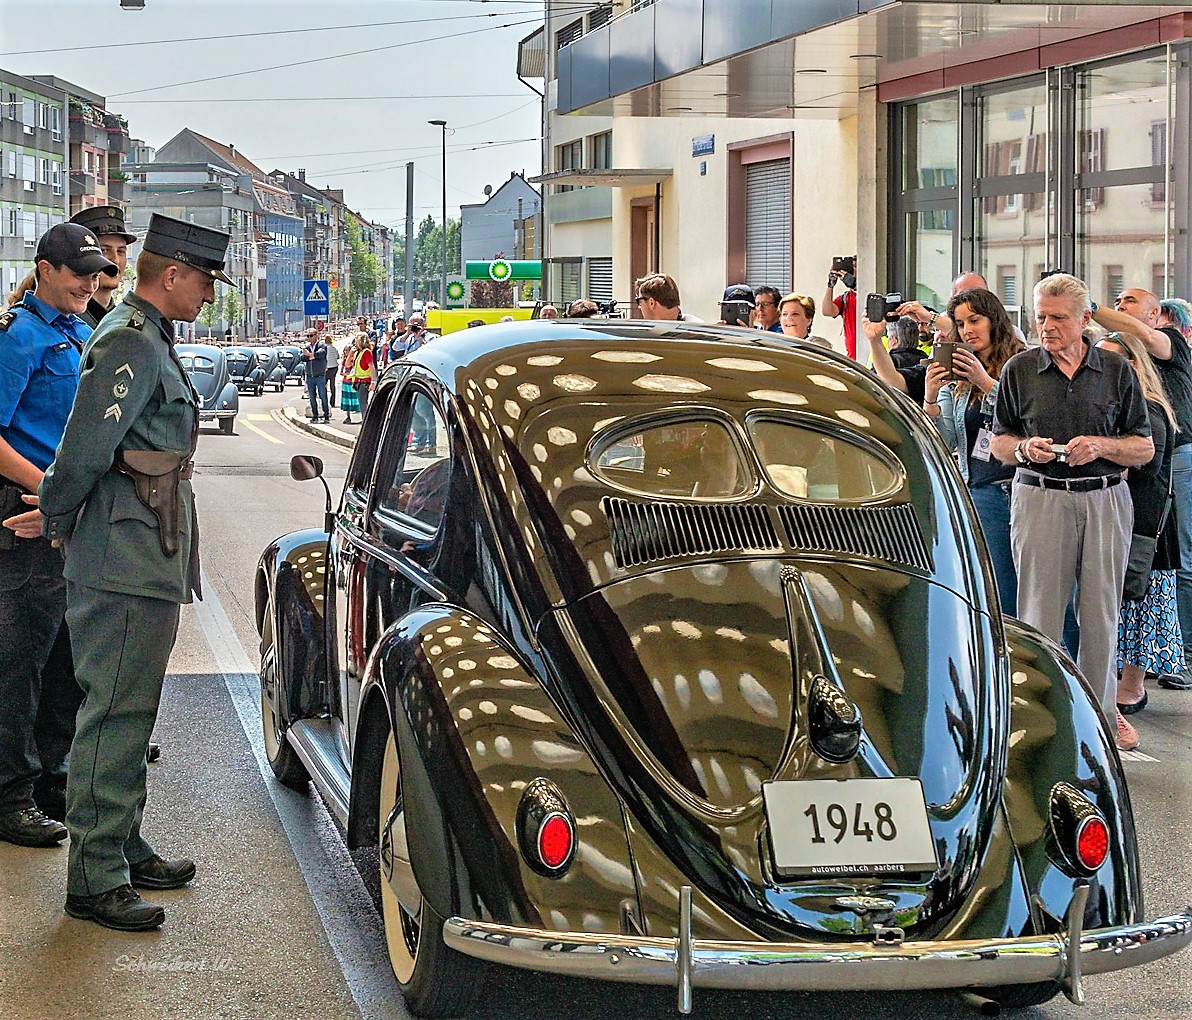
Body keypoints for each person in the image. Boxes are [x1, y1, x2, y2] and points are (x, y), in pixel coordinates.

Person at [32, 213, 229, 931]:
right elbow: (84, 448)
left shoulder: (150, 338)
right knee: (111, 714)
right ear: (171, 275)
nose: (209, 295)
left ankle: (121, 842)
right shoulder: (125, 342)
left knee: (131, 709)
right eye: (204, 281)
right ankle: (93, 876)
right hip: (121, 557)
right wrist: (54, 513)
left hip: (145, 550)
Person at [990, 273, 1154, 729]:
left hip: (1104, 500)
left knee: (1101, 615)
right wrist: (1023, 449)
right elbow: (998, 441)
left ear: (1085, 319)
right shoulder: (1019, 370)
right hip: (1039, 498)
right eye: (1040, 317)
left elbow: (1144, 447)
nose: (1047, 326)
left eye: (1058, 318)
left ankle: (1099, 720)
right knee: (1038, 613)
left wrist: (1101, 446)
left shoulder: (1116, 370)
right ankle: (1039, 718)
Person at [0, 223, 118, 849]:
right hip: (24, 506)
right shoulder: (18, 336)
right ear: (44, 269)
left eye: (95, 273)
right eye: (78, 273)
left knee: (63, 656)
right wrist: (48, 491)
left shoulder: (74, 333)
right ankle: (10, 795)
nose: (89, 283)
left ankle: (49, 776)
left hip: (62, 508)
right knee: (18, 662)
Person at [1091, 288, 1192, 691]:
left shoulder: (1169, 345)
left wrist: (1087, 307)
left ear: (1156, 314)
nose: (1120, 308)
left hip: (1175, 460)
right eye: (1116, 302)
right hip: (1138, 480)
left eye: (1129, 301)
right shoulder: (1123, 363)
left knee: (1172, 560)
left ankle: (1177, 655)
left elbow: (1138, 332)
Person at [1094, 331, 1181, 750]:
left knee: (1140, 602)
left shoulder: (1149, 407)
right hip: (1118, 514)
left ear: (1133, 364)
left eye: (1114, 360)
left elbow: (1145, 466)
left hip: (1143, 522)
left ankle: (1132, 684)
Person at [922, 288, 1024, 618]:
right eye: (961, 323)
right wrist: (932, 398)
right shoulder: (960, 373)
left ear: (994, 320)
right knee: (991, 583)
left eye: (975, 320)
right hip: (978, 488)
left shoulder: (1020, 364)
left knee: (1027, 584)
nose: (967, 330)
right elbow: (947, 439)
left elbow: (1026, 416)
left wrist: (984, 382)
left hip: (1017, 485)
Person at [70, 206, 137, 329]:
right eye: (104, 250)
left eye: (121, 251)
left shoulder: (124, 320)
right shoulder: (69, 320)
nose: (115, 260)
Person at [821, 257, 858, 359]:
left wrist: (856, 286)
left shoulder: (870, 293)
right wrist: (830, 285)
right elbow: (827, 311)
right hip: (853, 358)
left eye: (857, 267)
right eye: (853, 267)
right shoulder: (846, 298)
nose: (855, 271)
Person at [634, 273, 702, 322]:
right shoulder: (697, 328)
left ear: (651, 302)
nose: (639, 307)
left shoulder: (696, 331)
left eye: (639, 301)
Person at [303, 327, 329, 422]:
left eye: (311, 335)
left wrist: (310, 355)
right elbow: (302, 357)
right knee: (312, 397)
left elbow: (321, 354)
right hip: (310, 376)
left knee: (323, 396)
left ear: (316, 335)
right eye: (308, 336)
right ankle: (315, 415)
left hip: (320, 375)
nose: (309, 338)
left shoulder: (322, 345)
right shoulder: (307, 347)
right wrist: (311, 356)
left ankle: (326, 415)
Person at [352, 332, 376, 422]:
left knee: (363, 405)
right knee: (362, 404)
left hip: (364, 381)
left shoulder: (366, 352)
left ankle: (365, 424)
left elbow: (371, 366)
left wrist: (373, 381)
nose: (355, 343)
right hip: (360, 381)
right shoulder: (360, 352)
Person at [339, 338, 360, 424]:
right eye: (345, 350)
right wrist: (346, 374)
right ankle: (348, 416)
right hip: (346, 381)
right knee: (346, 399)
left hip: (353, 381)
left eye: (348, 350)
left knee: (356, 398)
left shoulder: (354, 359)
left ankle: (361, 415)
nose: (346, 352)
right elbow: (341, 372)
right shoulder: (344, 360)